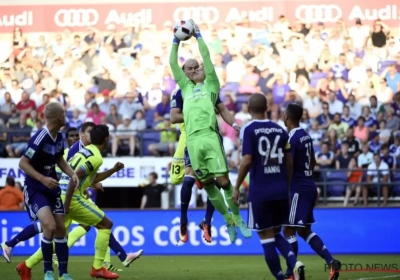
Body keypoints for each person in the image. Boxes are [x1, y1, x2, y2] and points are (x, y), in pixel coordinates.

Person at [169, 20, 251, 243]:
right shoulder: (184, 88)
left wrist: (199, 36)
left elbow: (207, 58)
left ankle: (237, 218)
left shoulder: (212, 85)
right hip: (192, 142)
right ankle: (226, 219)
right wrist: (176, 41)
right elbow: (172, 63)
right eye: (191, 68)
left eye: (199, 68)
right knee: (207, 185)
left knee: (223, 182)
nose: (196, 70)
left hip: (210, 136)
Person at [233, 94, 305, 280]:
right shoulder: (281, 130)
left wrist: (236, 187)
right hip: (281, 190)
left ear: (248, 108)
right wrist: (287, 186)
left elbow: (247, 160)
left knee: (265, 237)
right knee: (275, 232)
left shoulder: (248, 129)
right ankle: (294, 262)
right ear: (266, 107)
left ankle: (282, 278)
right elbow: (289, 163)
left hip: (260, 192)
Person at [170, 59, 237, 243]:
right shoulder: (180, 91)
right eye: (188, 69)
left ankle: (207, 222)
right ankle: (183, 220)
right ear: (182, 72)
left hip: (212, 138)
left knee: (215, 181)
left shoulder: (207, 87)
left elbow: (222, 108)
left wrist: (233, 124)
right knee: (182, 179)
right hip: (190, 138)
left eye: (195, 68)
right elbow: (173, 117)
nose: (192, 72)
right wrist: (197, 110)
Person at [1, 127, 79, 264]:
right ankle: (40, 265)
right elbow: (54, 167)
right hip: (58, 192)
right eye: (73, 136)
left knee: (51, 227)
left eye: (77, 135)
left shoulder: (66, 146)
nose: (75, 138)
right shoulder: (65, 149)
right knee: (52, 226)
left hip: (59, 192)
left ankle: (13, 246)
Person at [17, 102, 77, 280]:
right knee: (49, 227)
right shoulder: (39, 137)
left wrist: (72, 173)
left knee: (60, 229)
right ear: (59, 117)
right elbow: (22, 163)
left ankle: (64, 274)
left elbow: (59, 160)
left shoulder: (58, 137)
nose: (66, 117)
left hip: (52, 188)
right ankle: (48, 271)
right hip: (36, 188)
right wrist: (42, 178)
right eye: (64, 114)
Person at [282, 103, 341, 280]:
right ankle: (332, 262)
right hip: (309, 185)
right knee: (304, 231)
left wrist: (286, 185)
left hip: (298, 189)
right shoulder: (306, 136)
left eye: (285, 114)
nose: (283, 117)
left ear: (288, 117)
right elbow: (313, 161)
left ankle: (290, 273)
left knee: (288, 230)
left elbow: (289, 164)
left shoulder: (291, 138)